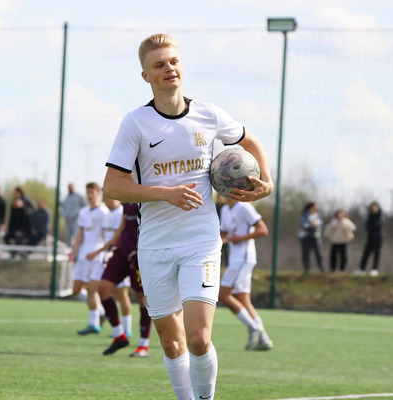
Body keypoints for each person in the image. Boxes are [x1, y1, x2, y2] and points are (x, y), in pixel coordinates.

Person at [102, 33, 273, 400]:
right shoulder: (136, 123)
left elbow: (249, 140)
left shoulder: (208, 115)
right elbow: (113, 186)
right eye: (159, 64)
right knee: (172, 343)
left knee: (198, 338)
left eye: (174, 61)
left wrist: (268, 183)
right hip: (155, 245)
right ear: (146, 76)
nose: (169, 68)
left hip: (201, 241)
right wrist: (164, 193)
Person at [91, 202, 152, 357]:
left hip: (140, 252)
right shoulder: (126, 199)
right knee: (103, 289)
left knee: (142, 298)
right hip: (122, 250)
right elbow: (123, 225)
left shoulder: (148, 193)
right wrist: (111, 245)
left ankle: (143, 345)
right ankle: (119, 335)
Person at [218, 196, 273, 351]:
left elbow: (263, 230)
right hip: (235, 259)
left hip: (243, 258)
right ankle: (264, 339)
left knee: (224, 295)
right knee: (243, 299)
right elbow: (224, 235)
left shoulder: (244, 207)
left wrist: (241, 238)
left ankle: (253, 327)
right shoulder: (225, 210)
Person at [69, 182, 109, 335]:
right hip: (83, 255)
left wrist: (104, 252)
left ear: (98, 193)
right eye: (88, 192)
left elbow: (106, 236)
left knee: (91, 289)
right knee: (76, 290)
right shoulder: (84, 212)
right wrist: (73, 251)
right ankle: (101, 311)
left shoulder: (104, 212)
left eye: (92, 192)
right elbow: (80, 234)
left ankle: (94, 323)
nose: (90, 195)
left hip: (96, 256)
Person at [3, 187, 33, 259]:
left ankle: (19, 254)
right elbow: (11, 218)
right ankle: (13, 253)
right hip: (15, 228)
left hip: (24, 228)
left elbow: (32, 212)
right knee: (6, 237)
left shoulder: (26, 201)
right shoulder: (14, 202)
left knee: (19, 238)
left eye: (16, 193)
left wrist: (23, 207)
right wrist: (9, 229)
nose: (15, 194)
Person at [356, 202, 384, 276]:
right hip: (370, 237)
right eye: (372, 208)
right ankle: (362, 269)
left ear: (378, 208)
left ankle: (374, 269)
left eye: (375, 207)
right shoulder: (370, 216)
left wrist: (372, 227)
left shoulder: (380, 216)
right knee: (366, 253)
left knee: (376, 253)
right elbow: (367, 226)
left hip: (378, 238)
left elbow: (377, 226)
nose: (373, 209)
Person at [300, 202, 325, 273]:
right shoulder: (305, 216)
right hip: (307, 237)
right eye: (314, 207)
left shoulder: (318, 216)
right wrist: (312, 226)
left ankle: (321, 268)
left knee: (319, 253)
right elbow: (304, 225)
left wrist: (316, 227)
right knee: (306, 254)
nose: (315, 209)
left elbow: (321, 225)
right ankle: (307, 269)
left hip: (316, 237)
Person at [215, 195, 229, 268]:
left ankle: (227, 265)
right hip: (217, 228)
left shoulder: (226, 206)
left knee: (225, 248)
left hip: (225, 229)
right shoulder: (215, 206)